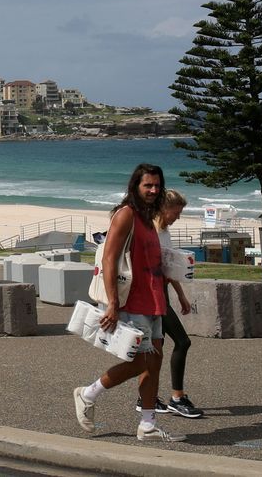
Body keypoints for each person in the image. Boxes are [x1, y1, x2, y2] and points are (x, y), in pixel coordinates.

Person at [72, 164, 186, 442]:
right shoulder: (126, 215)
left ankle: (147, 424)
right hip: (131, 301)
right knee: (140, 361)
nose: (153, 190)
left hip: (154, 300)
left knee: (154, 363)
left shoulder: (149, 218)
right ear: (136, 186)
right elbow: (109, 258)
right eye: (148, 185)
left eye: (157, 185)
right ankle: (87, 394)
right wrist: (112, 303)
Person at [141, 189, 204, 418]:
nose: (177, 218)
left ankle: (146, 397)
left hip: (164, 292)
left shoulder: (165, 232)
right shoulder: (150, 232)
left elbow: (169, 266)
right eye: (176, 213)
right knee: (182, 341)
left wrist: (181, 294)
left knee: (157, 346)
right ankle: (177, 397)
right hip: (152, 295)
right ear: (163, 209)